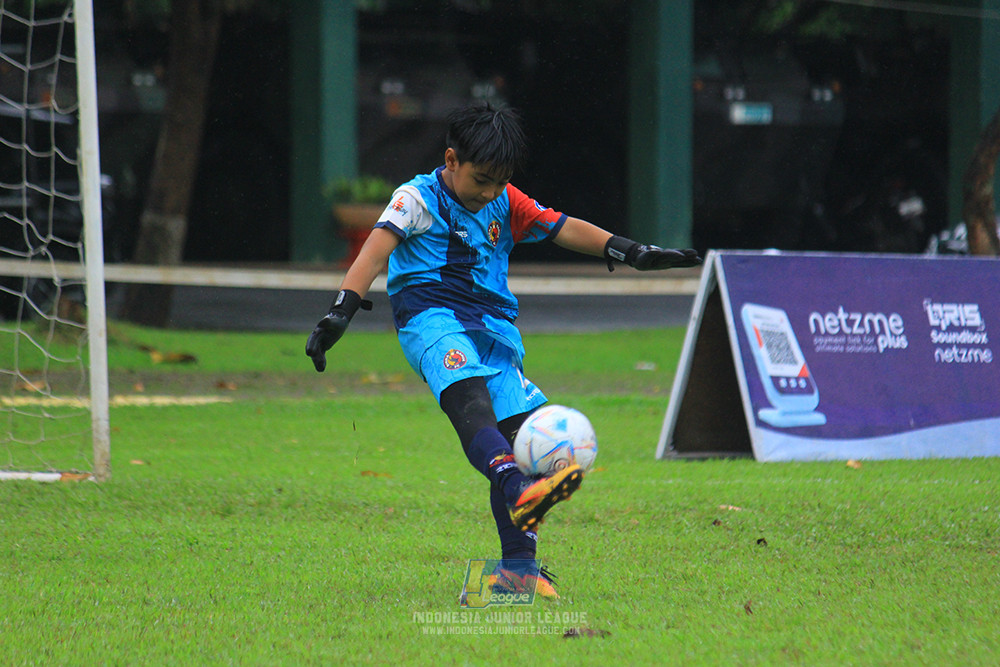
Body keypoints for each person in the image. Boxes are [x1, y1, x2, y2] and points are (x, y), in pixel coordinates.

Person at [306, 103, 700, 599]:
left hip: (493, 330)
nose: (491, 192)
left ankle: (517, 571)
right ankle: (518, 491)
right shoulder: (415, 198)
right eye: (482, 180)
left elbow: (562, 226)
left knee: (529, 437)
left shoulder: (504, 200)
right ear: (451, 160)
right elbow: (375, 249)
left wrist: (631, 252)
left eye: (500, 181)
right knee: (472, 405)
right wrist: (341, 311)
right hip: (433, 319)